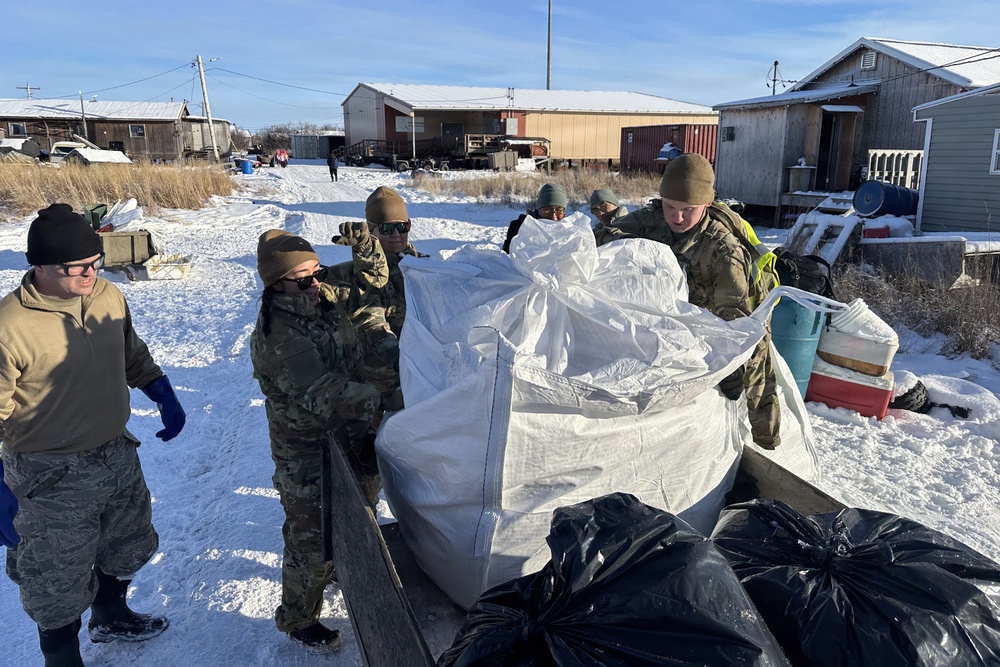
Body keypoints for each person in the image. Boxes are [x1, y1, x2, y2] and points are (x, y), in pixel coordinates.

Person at [0, 204, 186, 666]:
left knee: (130, 541)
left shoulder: (105, 295)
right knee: (54, 580)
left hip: (114, 450)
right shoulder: (8, 327)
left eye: (96, 263)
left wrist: (161, 391)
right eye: (78, 268)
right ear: (39, 266)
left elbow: (130, 350)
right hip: (48, 473)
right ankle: (62, 659)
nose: (92, 274)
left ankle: (111, 612)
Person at [249, 229, 399, 652]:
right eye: (303, 278)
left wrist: (367, 245)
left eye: (319, 272)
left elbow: (373, 281)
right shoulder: (279, 336)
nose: (316, 283)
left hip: (350, 434)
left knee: (359, 513)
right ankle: (298, 617)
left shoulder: (321, 295)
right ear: (276, 284)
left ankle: (340, 569)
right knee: (310, 540)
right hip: (308, 452)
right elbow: (322, 392)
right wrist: (391, 398)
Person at [595, 154, 780, 450]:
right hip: (676, 318)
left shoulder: (724, 250)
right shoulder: (653, 219)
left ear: (706, 205)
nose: (677, 217)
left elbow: (739, 323)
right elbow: (601, 237)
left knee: (756, 368)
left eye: (688, 210)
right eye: (670, 206)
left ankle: (765, 444)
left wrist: (731, 366)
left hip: (721, 316)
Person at [330, 186, 427, 336]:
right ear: (369, 230)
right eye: (386, 228)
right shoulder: (352, 276)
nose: (396, 234)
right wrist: (365, 249)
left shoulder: (425, 267)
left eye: (402, 226)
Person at [502, 182, 568, 253]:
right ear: (538, 209)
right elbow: (506, 256)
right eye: (547, 210)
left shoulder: (569, 230)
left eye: (559, 210)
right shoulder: (520, 228)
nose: (553, 216)